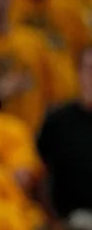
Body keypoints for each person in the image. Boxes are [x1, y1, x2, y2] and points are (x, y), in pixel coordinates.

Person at [38, 46, 92, 218]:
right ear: (78, 73)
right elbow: (43, 174)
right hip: (68, 224)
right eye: (89, 69)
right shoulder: (57, 121)